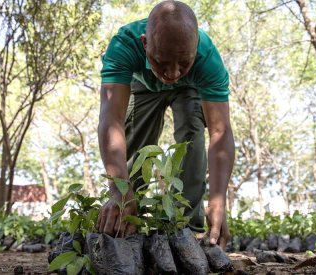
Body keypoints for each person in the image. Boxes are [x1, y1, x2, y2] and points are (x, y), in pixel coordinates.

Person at [97, 0, 235, 249]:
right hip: (143, 84)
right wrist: (118, 188)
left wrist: (218, 200)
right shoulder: (124, 45)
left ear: (195, 51)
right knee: (133, 143)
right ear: (145, 44)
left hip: (190, 88)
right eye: (162, 61)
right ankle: (127, 219)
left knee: (192, 135)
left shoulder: (208, 60)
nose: (172, 74)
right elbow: (111, 119)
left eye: (184, 62)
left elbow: (220, 131)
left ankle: (187, 228)